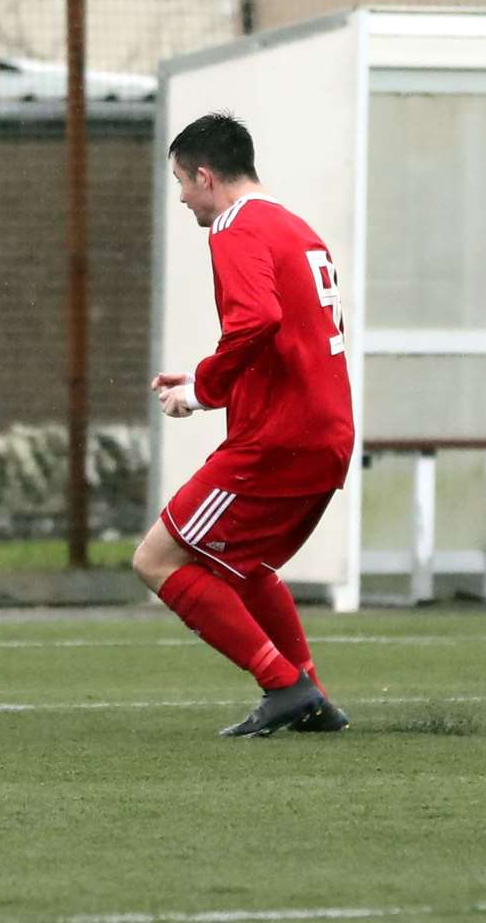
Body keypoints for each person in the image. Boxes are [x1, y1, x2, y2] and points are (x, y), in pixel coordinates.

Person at [133, 112, 353, 737]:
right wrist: (205, 384)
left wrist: (202, 391)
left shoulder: (234, 228)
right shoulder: (296, 228)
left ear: (206, 176)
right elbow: (292, 340)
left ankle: (285, 686)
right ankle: (311, 695)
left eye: (181, 182)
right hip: (323, 434)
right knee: (243, 567)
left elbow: (256, 321)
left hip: (279, 442)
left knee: (156, 559)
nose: (181, 198)